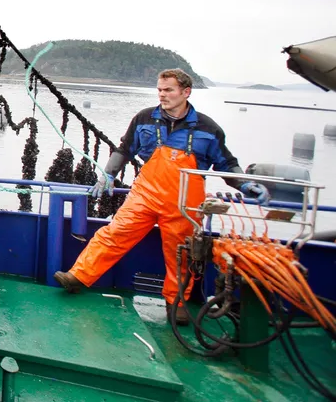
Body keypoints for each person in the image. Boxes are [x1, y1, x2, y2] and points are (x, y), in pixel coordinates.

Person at [52, 68, 269, 325]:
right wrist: (108, 175)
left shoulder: (208, 128)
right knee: (115, 233)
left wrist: (246, 185)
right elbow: (125, 149)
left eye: (168, 90)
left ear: (185, 92)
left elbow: (226, 164)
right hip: (145, 193)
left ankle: (175, 302)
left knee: (182, 253)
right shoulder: (145, 119)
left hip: (185, 202)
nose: (162, 95)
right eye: (160, 90)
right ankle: (78, 277)